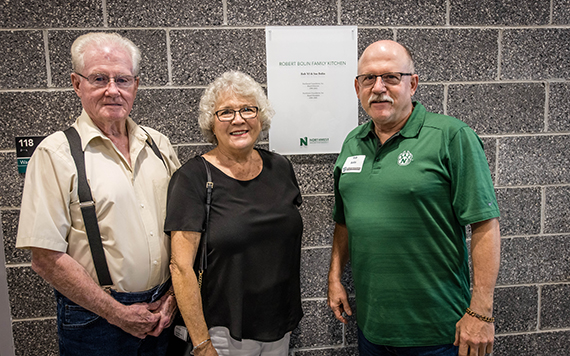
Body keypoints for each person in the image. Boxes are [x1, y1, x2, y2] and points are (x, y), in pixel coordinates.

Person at [327, 40, 501, 356]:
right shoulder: (353, 142)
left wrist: (481, 312)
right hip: (373, 329)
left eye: (391, 77)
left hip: (440, 332)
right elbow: (345, 220)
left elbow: (484, 225)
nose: (378, 87)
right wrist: (335, 276)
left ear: (413, 83)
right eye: (369, 78)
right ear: (357, 87)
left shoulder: (451, 136)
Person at [16, 32, 181, 356]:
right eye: (99, 78)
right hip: (96, 323)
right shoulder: (56, 154)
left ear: (136, 85)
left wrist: (175, 296)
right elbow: (45, 258)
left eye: (122, 79)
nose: (112, 90)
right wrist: (116, 313)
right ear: (77, 84)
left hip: (163, 312)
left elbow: (184, 230)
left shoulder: (158, 146)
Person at [165, 70, 303, 356]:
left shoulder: (281, 168)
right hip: (223, 335)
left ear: (260, 116)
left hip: (279, 326)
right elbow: (181, 268)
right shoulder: (192, 178)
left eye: (247, 110)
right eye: (225, 112)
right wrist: (202, 345)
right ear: (211, 123)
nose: (238, 119)